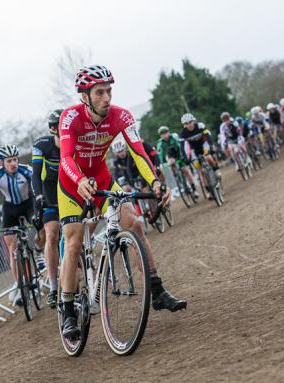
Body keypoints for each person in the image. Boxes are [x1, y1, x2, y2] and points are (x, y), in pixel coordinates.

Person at [58, 64, 186, 339]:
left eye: (109, 91)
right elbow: (66, 157)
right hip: (71, 183)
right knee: (74, 241)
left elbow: (138, 152)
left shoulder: (121, 116)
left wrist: (154, 182)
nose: (107, 97)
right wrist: (79, 180)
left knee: (134, 224)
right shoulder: (70, 117)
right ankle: (67, 309)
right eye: (100, 92)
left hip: (102, 179)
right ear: (85, 96)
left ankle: (157, 289)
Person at [0, 144, 35, 306]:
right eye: (9, 161)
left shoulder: (26, 170)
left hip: (28, 204)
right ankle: (20, 284)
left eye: (15, 159)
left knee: (42, 229)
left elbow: (35, 192)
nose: (13, 163)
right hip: (9, 209)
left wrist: (38, 214)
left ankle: (40, 256)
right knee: (12, 248)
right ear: (2, 163)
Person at [31, 109, 63, 308]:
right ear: (53, 129)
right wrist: (39, 196)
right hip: (49, 190)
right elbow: (35, 174)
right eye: (61, 125)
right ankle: (53, 286)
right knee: (51, 233)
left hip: (69, 189)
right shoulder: (42, 145)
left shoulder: (73, 140)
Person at [156, 126, 198, 199]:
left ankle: (194, 189)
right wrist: (162, 164)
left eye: (165, 133)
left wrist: (184, 157)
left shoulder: (174, 136)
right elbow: (160, 154)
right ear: (160, 135)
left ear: (168, 132)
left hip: (179, 153)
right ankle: (178, 178)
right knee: (171, 163)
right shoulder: (160, 143)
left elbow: (180, 146)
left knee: (186, 170)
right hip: (171, 155)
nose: (164, 135)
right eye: (162, 134)